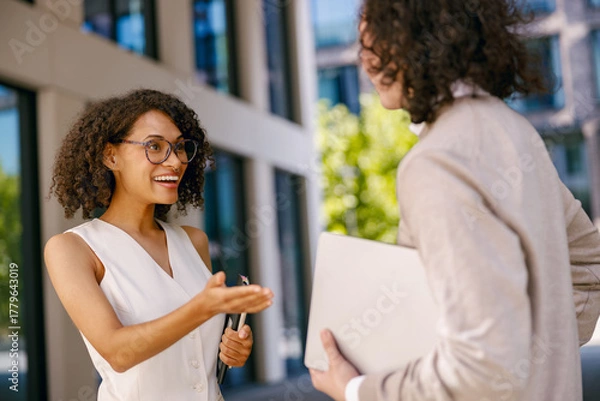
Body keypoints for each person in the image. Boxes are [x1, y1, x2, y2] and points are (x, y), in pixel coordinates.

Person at [309, 0, 600, 400]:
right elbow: (589, 263)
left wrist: (356, 389)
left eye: (372, 45)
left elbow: (482, 365)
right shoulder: (514, 130)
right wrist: (538, 358)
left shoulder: (436, 162)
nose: (365, 63)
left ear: (417, 39)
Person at [44, 89, 274, 401]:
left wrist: (233, 348)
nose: (176, 161)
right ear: (111, 156)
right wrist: (204, 307)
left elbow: (195, 354)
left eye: (180, 148)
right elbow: (117, 352)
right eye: (155, 146)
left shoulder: (194, 241)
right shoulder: (72, 249)